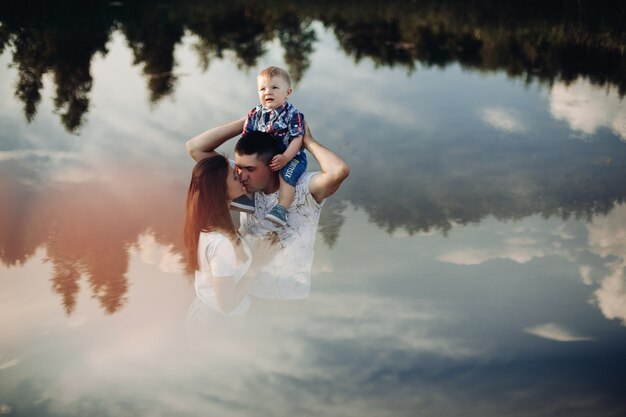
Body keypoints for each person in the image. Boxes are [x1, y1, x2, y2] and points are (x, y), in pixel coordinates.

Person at [186, 119, 349, 301]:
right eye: (238, 168)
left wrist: (306, 139)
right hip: (245, 293)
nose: (241, 175)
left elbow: (338, 171)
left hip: (288, 298)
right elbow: (195, 148)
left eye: (250, 169)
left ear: (274, 165)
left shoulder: (303, 188)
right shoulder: (243, 189)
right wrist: (253, 118)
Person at [183, 154, 277, 322]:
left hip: (211, 317)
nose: (241, 176)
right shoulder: (221, 243)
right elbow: (226, 305)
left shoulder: (212, 224)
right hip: (215, 326)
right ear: (221, 190)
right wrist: (256, 265)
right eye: (235, 176)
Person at [240, 66, 307, 227]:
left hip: (292, 157)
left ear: (287, 93)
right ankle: (246, 198)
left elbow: (298, 139)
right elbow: (246, 137)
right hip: (265, 155)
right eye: (262, 89)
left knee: (287, 175)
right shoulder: (255, 114)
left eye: (274, 88)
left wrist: (285, 158)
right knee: (245, 168)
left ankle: (281, 209)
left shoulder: (293, 114)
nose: (267, 92)